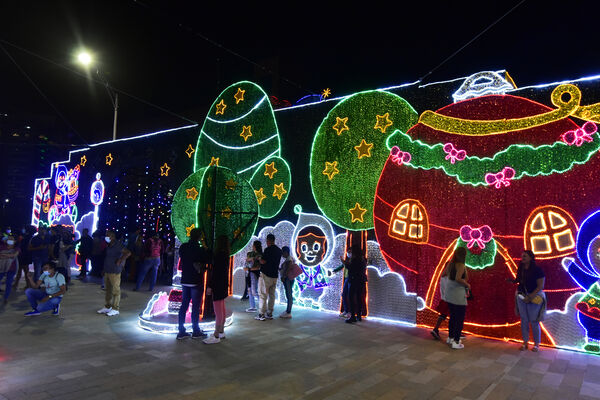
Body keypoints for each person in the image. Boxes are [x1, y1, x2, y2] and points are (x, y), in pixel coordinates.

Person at [176, 228, 209, 340]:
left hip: (185, 280)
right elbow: (208, 259)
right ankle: (195, 331)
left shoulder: (183, 247)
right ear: (199, 237)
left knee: (184, 305)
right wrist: (205, 247)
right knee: (195, 306)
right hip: (196, 280)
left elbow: (182, 257)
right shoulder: (199, 249)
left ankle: (181, 331)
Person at [510, 250, 546, 352]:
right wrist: (512, 281)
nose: (523, 258)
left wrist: (530, 296)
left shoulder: (538, 270)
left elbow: (540, 286)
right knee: (524, 320)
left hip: (534, 297)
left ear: (531, 257)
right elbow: (518, 280)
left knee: (534, 321)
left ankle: (536, 345)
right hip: (522, 296)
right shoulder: (521, 268)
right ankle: (525, 343)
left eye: (525, 256)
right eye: (522, 256)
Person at [97, 231, 131, 317]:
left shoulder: (118, 245)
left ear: (112, 237)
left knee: (116, 290)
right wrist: (104, 269)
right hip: (108, 270)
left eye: (107, 236)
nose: (106, 237)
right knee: (108, 290)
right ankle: (107, 306)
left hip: (115, 271)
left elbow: (128, 252)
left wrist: (120, 260)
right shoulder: (109, 245)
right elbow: (108, 257)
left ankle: (115, 309)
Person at [204, 235, 230, 344]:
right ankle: (221, 332)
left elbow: (216, 273)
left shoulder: (219, 255)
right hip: (223, 284)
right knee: (222, 308)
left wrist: (210, 285)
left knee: (218, 311)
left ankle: (216, 335)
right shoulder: (226, 254)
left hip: (217, 285)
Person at [445, 247, 470, 349]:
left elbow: (444, 274)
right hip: (458, 295)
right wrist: (467, 284)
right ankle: (456, 341)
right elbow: (458, 278)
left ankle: (450, 337)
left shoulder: (450, 264)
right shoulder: (461, 265)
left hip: (450, 294)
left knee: (453, 317)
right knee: (459, 319)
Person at [256, 233, 282, 321]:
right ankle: (269, 313)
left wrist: (259, 259)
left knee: (263, 294)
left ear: (268, 241)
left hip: (266, 275)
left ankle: (261, 314)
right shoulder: (279, 250)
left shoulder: (267, 250)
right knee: (272, 295)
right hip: (275, 276)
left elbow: (263, 262)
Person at [340, 245, 367, 324]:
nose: (349, 253)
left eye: (351, 251)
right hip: (361, 280)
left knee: (351, 298)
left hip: (353, 280)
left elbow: (351, 268)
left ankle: (352, 317)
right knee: (359, 298)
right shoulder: (363, 258)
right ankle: (358, 315)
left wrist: (344, 262)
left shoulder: (355, 259)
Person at [430, 266, 450, 340]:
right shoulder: (449, 278)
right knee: (453, 315)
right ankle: (454, 332)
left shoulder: (442, 277)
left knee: (443, 315)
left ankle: (436, 329)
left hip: (444, 299)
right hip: (449, 299)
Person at [0, 236, 20, 305]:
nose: (10, 240)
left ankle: (6, 298)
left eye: (12, 239)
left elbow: (14, 255)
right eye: (9, 239)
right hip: (2, 268)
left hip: (12, 268)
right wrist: (9, 255)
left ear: (14, 241)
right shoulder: (2, 247)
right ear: (6, 241)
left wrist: (4, 255)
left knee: (9, 283)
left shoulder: (16, 248)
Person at [13, 225, 34, 290]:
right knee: (24, 270)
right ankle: (26, 284)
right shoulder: (30, 237)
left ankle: (25, 284)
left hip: (23, 255)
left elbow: (22, 246)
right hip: (26, 255)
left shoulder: (26, 237)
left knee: (23, 270)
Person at [244, 240, 262, 313]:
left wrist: (249, 267)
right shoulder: (251, 253)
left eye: (254, 245)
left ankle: (263, 306)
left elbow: (258, 267)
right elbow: (247, 260)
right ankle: (252, 307)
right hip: (249, 273)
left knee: (254, 291)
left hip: (254, 274)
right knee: (249, 290)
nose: (253, 246)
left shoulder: (260, 255)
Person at [279, 246, 294, 318]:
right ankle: (288, 311)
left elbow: (288, 269)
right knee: (288, 293)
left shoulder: (289, 260)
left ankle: (288, 311)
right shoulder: (288, 259)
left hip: (288, 279)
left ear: (286, 252)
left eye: (283, 253)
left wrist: (284, 277)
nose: (282, 255)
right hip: (287, 279)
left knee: (289, 294)